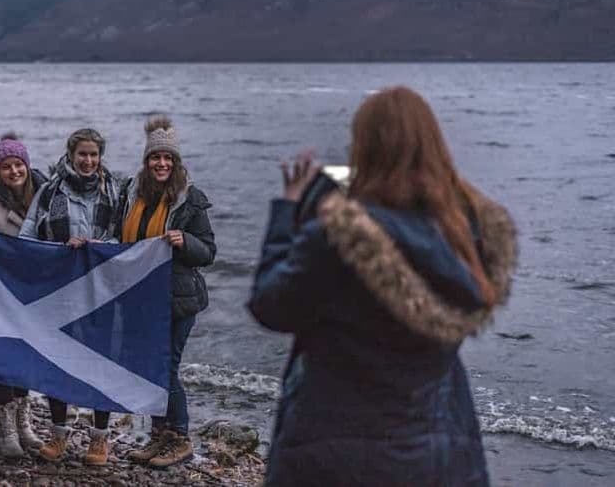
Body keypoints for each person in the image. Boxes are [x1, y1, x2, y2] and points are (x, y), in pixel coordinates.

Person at [248, 86, 518, 487]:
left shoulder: (338, 239)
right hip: (434, 450)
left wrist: (290, 209)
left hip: (334, 452)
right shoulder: (466, 238)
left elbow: (270, 304)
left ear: (365, 149)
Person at [116, 115, 216, 469]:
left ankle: (181, 437)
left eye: (167, 159)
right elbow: (118, 238)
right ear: (147, 162)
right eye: (155, 158)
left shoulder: (191, 199)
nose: (161, 164)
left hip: (178, 300)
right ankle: (160, 436)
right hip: (140, 297)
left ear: (175, 163)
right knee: (149, 367)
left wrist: (184, 240)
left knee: (166, 367)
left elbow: (208, 251)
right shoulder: (130, 193)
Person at [20, 128, 120, 464]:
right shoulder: (49, 191)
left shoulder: (115, 190)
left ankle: (99, 440)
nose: (88, 161)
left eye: (94, 155)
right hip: (59, 291)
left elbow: (126, 239)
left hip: (102, 292)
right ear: (71, 154)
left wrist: (96, 248)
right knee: (57, 360)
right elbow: (27, 236)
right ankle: (59, 434)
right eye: (83, 155)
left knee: (101, 364)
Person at [0, 134, 47, 457]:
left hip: (34, 296)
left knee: (25, 359)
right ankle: (5, 432)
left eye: (18, 164)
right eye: (6, 166)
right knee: (2, 361)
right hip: (0, 297)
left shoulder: (44, 199)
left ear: (27, 166)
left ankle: (24, 425)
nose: (14, 171)